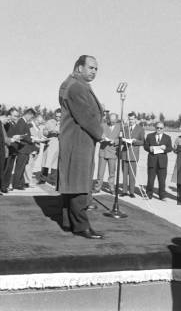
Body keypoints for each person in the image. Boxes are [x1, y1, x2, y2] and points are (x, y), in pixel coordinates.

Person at [58, 55, 107, 239]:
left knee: (72, 182)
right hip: (79, 141)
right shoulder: (77, 87)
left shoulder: (74, 83)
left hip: (78, 140)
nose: (94, 71)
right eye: (91, 67)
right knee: (78, 183)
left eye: (96, 69)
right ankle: (81, 226)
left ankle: (67, 222)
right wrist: (103, 135)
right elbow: (87, 117)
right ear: (79, 67)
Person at [6, 108, 35, 191]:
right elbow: (22, 135)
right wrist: (31, 139)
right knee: (20, 167)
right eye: (31, 117)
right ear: (28, 114)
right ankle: (16, 184)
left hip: (24, 148)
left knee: (22, 167)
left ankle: (20, 183)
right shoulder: (22, 122)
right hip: (22, 148)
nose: (31, 119)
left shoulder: (23, 122)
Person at [143, 122, 173, 200]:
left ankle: (162, 196)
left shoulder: (167, 137)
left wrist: (165, 148)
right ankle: (149, 195)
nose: (159, 129)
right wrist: (149, 148)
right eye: (157, 128)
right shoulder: (149, 136)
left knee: (162, 181)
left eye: (161, 128)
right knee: (150, 180)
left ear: (164, 129)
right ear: (155, 128)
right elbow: (145, 146)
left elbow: (170, 148)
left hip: (162, 162)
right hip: (152, 161)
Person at [120, 112, 145, 198]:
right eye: (130, 119)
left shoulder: (140, 129)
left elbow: (142, 142)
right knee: (124, 174)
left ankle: (131, 192)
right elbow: (121, 139)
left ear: (136, 119)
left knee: (132, 174)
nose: (131, 121)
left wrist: (134, 141)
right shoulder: (125, 128)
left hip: (133, 155)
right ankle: (124, 191)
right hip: (124, 154)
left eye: (133, 119)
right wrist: (123, 140)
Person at [94, 112, 120, 193]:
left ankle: (111, 188)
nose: (111, 122)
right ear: (108, 119)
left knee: (112, 172)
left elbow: (121, 139)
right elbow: (98, 136)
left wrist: (115, 141)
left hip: (113, 152)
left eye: (113, 121)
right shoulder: (103, 125)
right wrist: (101, 138)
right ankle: (97, 188)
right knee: (100, 172)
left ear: (116, 120)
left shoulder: (120, 127)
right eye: (110, 120)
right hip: (103, 151)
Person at [1, 108, 20, 192]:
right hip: (7, 149)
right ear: (9, 115)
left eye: (17, 116)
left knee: (9, 169)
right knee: (5, 169)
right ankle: (2, 187)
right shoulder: (6, 124)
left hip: (13, 149)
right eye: (15, 116)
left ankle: (6, 185)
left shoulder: (14, 123)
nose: (16, 117)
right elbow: (4, 136)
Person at [41, 109, 61, 185]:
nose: (58, 118)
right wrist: (49, 131)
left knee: (55, 162)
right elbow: (44, 132)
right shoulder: (50, 122)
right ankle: (43, 178)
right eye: (56, 116)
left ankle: (53, 180)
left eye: (59, 116)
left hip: (58, 143)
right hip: (50, 142)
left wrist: (59, 132)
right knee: (46, 161)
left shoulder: (64, 123)